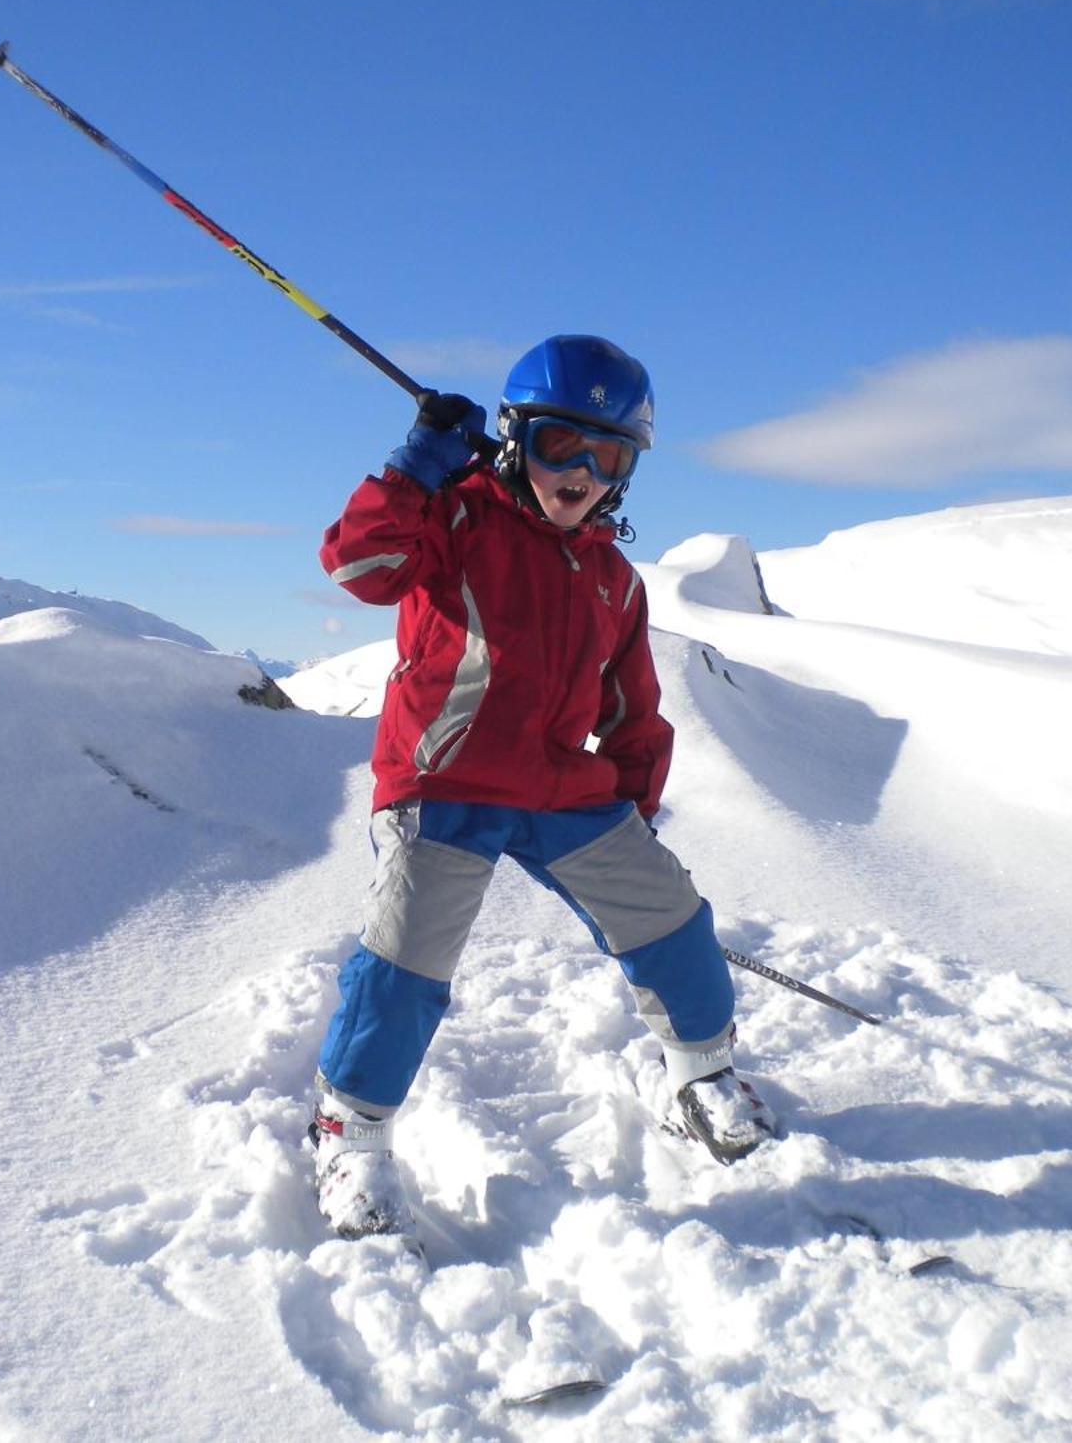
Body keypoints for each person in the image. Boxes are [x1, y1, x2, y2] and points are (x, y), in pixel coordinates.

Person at [310, 334, 776, 1238]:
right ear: (518, 439)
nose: (586, 473)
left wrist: (630, 821)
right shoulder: (453, 522)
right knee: (406, 961)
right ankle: (350, 1127)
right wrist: (414, 472)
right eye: (566, 445)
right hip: (445, 778)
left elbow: (635, 708)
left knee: (673, 924)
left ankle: (702, 1074)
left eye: (612, 456)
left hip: (564, 788)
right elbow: (359, 568)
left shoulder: (612, 578)